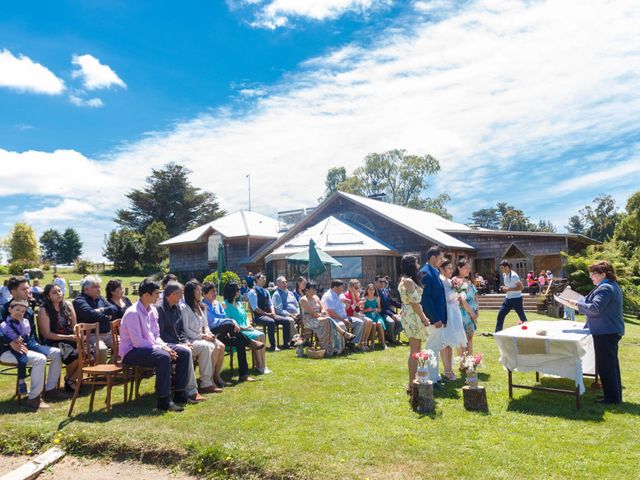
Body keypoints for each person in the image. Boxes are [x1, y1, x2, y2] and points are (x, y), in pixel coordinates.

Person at [119, 279, 189, 412]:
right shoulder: (133, 313)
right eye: (156, 293)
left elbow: (156, 335)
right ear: (146, 295)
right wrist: (162, 348)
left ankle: (180, 393)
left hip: (150, 347)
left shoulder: (152, 310)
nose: (159, 296)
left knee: (183, 352)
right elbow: (138, 342)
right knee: (163, 357)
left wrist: (165, 346)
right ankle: (164, 401)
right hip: (131, 352)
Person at [567, 261, 624, 404]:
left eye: (593, 274)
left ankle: (612, 398)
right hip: (608, 331)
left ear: (603, 274)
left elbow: (596, 308)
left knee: (606, 366)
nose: (591, 276)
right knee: (610, 365)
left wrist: (575, 305)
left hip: (606, 332)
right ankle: (613, 395)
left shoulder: (605, 288)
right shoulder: (608, 286)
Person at [0, 299, 67, 409]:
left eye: (22, 311)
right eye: (24, 289)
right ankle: (34, 398)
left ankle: (50, 389)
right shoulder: (3, 311)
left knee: (57, 353)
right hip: (6, 350)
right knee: (39, 359)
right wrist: (10, 341)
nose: (28, 292)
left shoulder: (27, 316)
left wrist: (35, 345)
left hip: (27, 345)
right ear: (10, 309)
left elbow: (30, 335)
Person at [155, 281, 206, 402]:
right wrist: (180, 343)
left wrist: (184, 340)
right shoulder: (160, 309)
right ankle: (190, 391)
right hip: (165, 344)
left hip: (178, 342)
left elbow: (181, 329)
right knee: (186, 351)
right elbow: (161, 334)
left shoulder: (176, 307)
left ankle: (183, 390)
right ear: (173, 294)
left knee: (194, 348)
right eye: (180, 294)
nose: (182, 297)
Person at [202, 282, 258, 382]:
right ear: (204, 294)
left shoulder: (217, 304)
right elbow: (212, 322)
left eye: (215, 291)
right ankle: (249, 342)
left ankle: (243, 375)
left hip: (224, 333)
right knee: (229, 324)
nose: (215, 293)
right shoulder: (203, 306)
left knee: (240, 342)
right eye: (212, 292)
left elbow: (224, 317)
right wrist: (231, 322)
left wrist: (229, 324)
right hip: (212, 334)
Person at [181, 280, 225, 393]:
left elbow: (206, 325)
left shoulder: (201, 307)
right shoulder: (184, 308)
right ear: (191, 292)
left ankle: (215, 376)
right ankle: (206, 382)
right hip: (192, 339)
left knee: (221, 345)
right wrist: (203, 336)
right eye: (198, 290)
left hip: (203, 336)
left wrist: (209, 334)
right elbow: (186, 330)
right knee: (208, 347)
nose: (200, 292)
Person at [37, 284, 81, 393]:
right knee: (73, 355)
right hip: (54, 340)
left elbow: (75, 326)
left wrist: (77, 335)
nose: (58, 294)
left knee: (91, 352)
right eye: (54, 292)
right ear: (48, 296)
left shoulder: (68, 305)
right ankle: (71, 383)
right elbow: (47, 334)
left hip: (70, 337)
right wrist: (69, 337)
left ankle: (70, 379)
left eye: (59, 291)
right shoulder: (44, 310)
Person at [223, 282, 271, 374]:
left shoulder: (239, 303)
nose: (239, 291)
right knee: (258, 336)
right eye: (237, 290)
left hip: (247, 329)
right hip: (237, 331)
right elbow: (229, 322)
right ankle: (260, 366)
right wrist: (245, 328)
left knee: (262, 335)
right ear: (231, 292)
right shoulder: (225, 304)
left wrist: (249, 325)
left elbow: (245, 317)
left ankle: (263, 364)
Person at [399, 254, 430, 391]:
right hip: (413, 316)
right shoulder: (409, 282)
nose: (419, 266)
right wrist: (424, 318)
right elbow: (414, 303)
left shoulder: (405, 280)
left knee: (416, 350)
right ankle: (412, 383)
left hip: (411, 315)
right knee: (415, 350)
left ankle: (415, 379)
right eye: (417, 263)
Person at [72, 275, 118, 364]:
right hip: (91, 336)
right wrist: (107, 317)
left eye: (99, 287)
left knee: (124, 346)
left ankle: (109, 369)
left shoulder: (100, 299)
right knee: (102, 349)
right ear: (86, 289)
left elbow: (114, 309)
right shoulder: (79, 301)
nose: (99, 289)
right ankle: (100, 374)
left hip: (107, 334)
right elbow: (91, 315)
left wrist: (101, 310)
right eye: (95, 287)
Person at [420, 246, 447, 383]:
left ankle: (435, 376)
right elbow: (426, 299)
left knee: (435, 348)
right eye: (440, 258)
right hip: (432, 318)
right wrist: (435, 318)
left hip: (438, 317)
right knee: (431, 348)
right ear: (432, 258)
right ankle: (430, 378)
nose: (442, 261)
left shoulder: (434, 271)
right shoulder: (425, 273)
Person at [248, 273, 295, 351]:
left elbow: (271, 304)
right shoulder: (252, 292)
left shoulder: (266, 291)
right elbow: (255, 308)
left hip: (269, 315)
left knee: (286, 321)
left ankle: (286, 344)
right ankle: (273, 346)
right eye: (263, 278)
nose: (265, 279)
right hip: (259, 317)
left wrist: (273, 313)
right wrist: (267, 314)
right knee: (271, 322)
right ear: (257, 279)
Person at [299, 283, 348, 355]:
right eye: (312, 289)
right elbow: (312, 313)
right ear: (307, 290)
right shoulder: (303, 300)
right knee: (327, 320)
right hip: (309, 320)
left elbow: (323, 308)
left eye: (315, 289)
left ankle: (335, 347)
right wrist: (322, 315)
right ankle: (327, 346)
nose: (314, 291)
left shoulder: (316, 297)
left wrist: (323, 312)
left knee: (327, 321)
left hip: (320, 318)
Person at [439, 259, 468, 380]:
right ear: (442, 269)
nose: (451, 270)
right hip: (447, 312)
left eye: (452, 268)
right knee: (445, 341)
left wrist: (460, 292)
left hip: (455, 312)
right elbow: (442, 297)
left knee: (452, 341)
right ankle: (447, 370)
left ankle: (450, 369)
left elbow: (460, 295)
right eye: (448, 268)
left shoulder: (451, 281)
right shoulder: (440, 281)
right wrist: (453, 295)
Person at [321, 279, 366, 351]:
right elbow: (331, 313)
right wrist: (344, 320)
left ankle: (352, 343)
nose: (343, 289)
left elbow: (345, 309)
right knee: (341, 324)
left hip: (344, 317)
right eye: (342, 287)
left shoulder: (341, 295)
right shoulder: (328, 296)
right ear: (335, 287)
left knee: (359, 322)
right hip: (334, 319)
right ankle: (340, 348)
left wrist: (347, 304)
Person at [454, 259, 479, 354]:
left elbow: (475, 297)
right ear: (459, 268)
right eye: (465, 268)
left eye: (469, 268)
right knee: (462, 339)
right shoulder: (456, 281)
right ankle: (462, 363)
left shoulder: (469, 281)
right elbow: (460, 300)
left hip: (472, 314)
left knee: (470, 338)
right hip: (463, 313)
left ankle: (470, 362)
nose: (468, 270)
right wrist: (471, 313)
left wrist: (477, 312)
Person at [495, 261, 528, 332]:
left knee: (522, 318)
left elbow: (521, 287)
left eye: (502, 268)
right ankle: (498, 332)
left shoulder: (513, 276)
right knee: (501, 314)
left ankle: (528, 331)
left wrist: (509, 289)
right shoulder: (505, 274)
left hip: (516, 299)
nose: (500, 270)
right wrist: (504, 287)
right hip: (508, 299)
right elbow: (509, 286)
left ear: (507, 267)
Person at [376, 276, 403, 344]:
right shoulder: (375, 293)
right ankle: (392, 340)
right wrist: (392, 315)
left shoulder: (386, 291)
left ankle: (389, 337)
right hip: (381, 313)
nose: (383, 283)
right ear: (375, 282)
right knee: (391, 322)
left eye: (384, 282)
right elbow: (379, 308)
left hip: (389, 312)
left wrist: (402, 306)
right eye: (380, 281)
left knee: (403, 322)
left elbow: (392, 301)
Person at [362, 283, 387, 350]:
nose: (372, 291)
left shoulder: (377, 298)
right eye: (370, 290)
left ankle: (383, 343)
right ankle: (372, 342)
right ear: (367, 290)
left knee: (379, 323)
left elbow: (380, 309)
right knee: (373, 324)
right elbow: (361, 311)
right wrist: (367, 310)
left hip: (376, 315)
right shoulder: (364, 298)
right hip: (368, 315)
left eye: (373, 290)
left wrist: (377, 309)